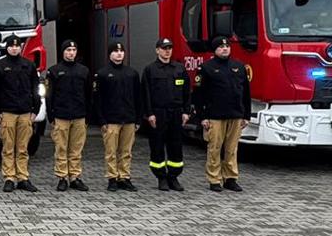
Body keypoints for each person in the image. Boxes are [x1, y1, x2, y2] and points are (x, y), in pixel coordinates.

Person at [194, 36, 252, 193]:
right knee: (214, 148)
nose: (225, 49)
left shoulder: (239, 66)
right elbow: (199, 95)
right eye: (221, 47)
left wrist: (246, 115)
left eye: (227, 46)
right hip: (215, 116)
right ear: (215, 50)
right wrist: (202, 117)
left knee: (232, 149)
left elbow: (246, 93)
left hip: (235, 114)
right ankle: (214, 179)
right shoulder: (206, 68)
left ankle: (230, 178)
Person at [141, 38, 193, 192]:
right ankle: (161, 178)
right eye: (164, 48)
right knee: (157, 146)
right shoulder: (150, 70)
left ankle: (173, 177)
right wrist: (149, 114)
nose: (167, 51)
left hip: (176, 113)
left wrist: (186, 112)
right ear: (157, 50)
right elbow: (145, 94)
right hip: (158, 113)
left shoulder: (179, 69)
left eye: (169, 48)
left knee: (175, 145)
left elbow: (187, 92)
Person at [0, 35, 41, 193]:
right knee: (8, 147)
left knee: (23, 148)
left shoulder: (29, 65)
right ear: (7, 48)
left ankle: (23, 178)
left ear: (20, 47)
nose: (14, 48)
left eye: (17, 46)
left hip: (25, 112)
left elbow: (35, 89)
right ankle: (9, 178)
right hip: (8, 112)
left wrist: (36, 110)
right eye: (11, 46)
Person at [93, 41, 145, 192]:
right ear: (110, 54)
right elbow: (97, 99)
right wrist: (101, 120)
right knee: (111, 152)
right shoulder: (102, 74)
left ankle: (124, 177)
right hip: (111, 121)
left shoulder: (132, 73)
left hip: (129, 119)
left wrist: (138, 119)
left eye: (121, 51)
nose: (119, 54)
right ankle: (112, 178)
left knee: (126, 151)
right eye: (115, 51)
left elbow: (138, 97)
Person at [44, 38, 92, 192]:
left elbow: (89, 94)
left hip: (79, 115)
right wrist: (51, 116)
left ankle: (75, 177)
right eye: (68, 50)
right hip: (61, 116)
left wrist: (88, 115)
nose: (71, 53)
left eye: (73, 50)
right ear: (63, 52)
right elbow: (49, 95)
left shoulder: (84, 71)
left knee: (76, 149)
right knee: (61, 148)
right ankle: (62, 177)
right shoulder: (54, 71)